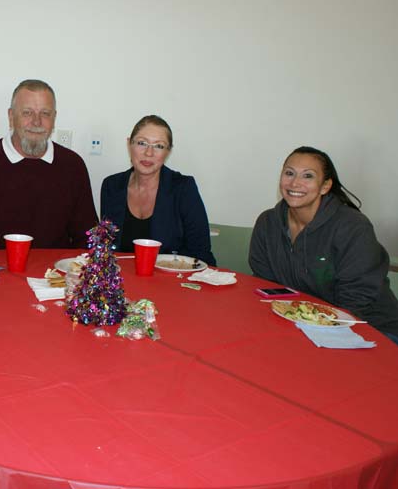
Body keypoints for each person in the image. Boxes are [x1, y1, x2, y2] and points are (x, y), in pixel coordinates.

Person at [249, 146, 398, 341]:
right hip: (303, 325)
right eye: (289, 173)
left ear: (325, 186)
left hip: (371, 330)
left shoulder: (352, 227)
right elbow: (266, 285)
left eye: (308, 176)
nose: (295, 183)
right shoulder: (267, 223)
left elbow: (356, 302)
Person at [0, 79, 97, 254]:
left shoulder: (73, 166)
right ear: (11, 116)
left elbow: (88, 237)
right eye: (27, 113)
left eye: (45, 113)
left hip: (55, 277)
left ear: (54, 118)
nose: (37, 122)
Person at [100, 115, 216, 265]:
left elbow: (200, 254)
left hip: (176, 281)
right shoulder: (112, 186)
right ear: (129, 144)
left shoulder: (183, 188)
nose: (149, 153)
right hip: (124, 282)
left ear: (168, 152)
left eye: (159, 146)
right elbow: (106, 249)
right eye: (142, 143)